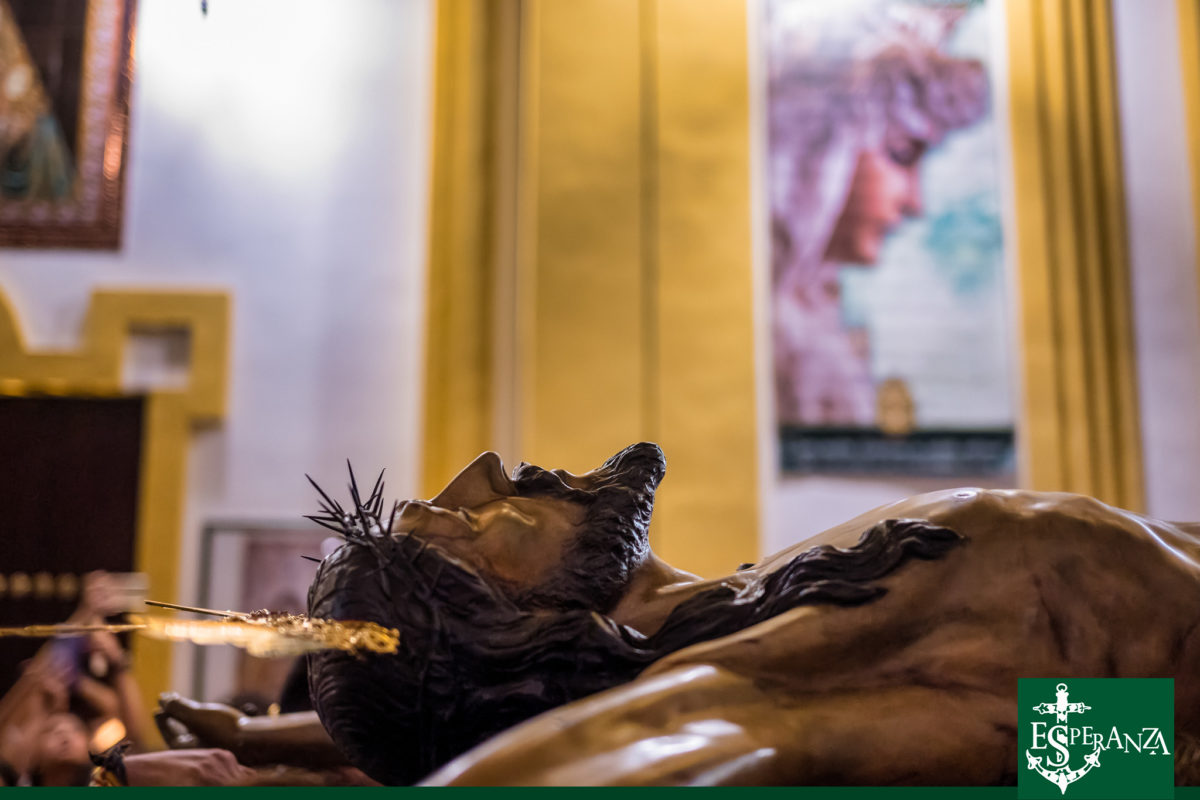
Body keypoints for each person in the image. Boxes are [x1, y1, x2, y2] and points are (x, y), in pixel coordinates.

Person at [158, 442, 1200, 785]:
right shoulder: (752, 680)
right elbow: (598, 748)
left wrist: (270, 739)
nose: (488, 470)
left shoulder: (753, 612)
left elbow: (1127, 743)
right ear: (523, 631)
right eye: (462, 525)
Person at [768, 1, 990, 425]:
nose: (915, 203)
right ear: (819, 147)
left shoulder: (821, 337)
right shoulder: (786, 343)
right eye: (902, 153)